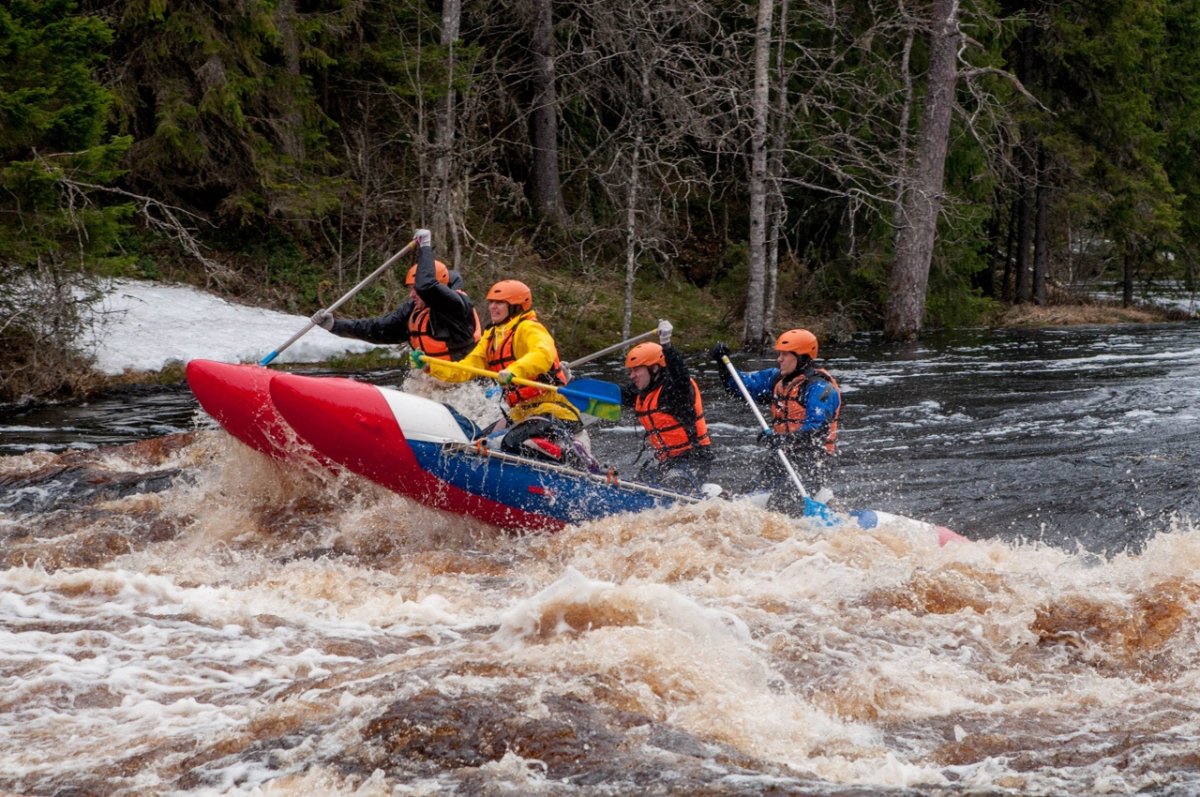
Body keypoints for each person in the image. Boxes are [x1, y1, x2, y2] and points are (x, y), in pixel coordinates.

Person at [415, 278, 593, 467]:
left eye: (499, 303)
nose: (492, 307)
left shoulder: (529, 328)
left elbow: (543, 354)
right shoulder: (491, 337)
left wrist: (514, 370)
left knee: (511, 442)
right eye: (491, 302)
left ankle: (572, 457)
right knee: (479, 444)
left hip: (554, 411)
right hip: (521, 413)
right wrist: (431, 366)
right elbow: (465, 368)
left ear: (516, 306)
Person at [710, 328, 841, 516]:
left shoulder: (821, 388)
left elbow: (817, 431)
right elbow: (740, 386)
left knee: (781, 503)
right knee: (743, 498)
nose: (779, 359)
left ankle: (824, 500)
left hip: (814, 460)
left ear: (802, 358)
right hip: (783, 456)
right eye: (779, 354)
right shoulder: (775, 378)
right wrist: (723, 363)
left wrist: (785, 440)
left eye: (785, 355)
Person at [311, 229, 481, 361]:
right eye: (410, 288)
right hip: (434, 379)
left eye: (416, 289)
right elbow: (378, 329)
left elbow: (426, 286)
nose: (412, 294)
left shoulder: (457, 306)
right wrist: (334, 326)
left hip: (463, 383)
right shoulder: (412, 311)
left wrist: (426, 246)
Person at [621, 320, 714, 492]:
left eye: (636, 370)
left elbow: (680, 373)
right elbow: (610, 394)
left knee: (671, 487)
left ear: (654, 368)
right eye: (630, 371)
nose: (632, 376)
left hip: (695, 459)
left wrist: (667, 346)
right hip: (668, 461)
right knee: (637, 483)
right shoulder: (641, 392)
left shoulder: (675, 391)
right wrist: (571, 380)